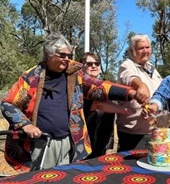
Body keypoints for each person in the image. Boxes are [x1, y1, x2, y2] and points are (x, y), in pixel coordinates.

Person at [0, 33, 147, 173]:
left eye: (69, 55)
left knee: (64, 178)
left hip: (69, 141)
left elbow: (99, 86)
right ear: (49, 55)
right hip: (42, 142)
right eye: (62, 55)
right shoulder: (31, 78)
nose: (67, 59)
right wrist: (26, 125)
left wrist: (131, 93)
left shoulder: (74, 76)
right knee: (42, 179)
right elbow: (7, 103)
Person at [80, 52, 135, 158]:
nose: (94, 66)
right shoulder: (81, 86)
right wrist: (124, 108)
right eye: (89, 64)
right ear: (81, 66)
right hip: (84, 146)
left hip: (100, 145)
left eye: (97, 63)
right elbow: (99, 104)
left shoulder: (105, 86)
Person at [116, 34, 162, 152]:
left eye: (148, 47)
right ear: (132, 51)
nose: (146, 51)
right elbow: (129, 77)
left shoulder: (151, 68)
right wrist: (141, 86)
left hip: (154, 132)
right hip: (132, 135)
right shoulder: (127, 65)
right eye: (141, 48)